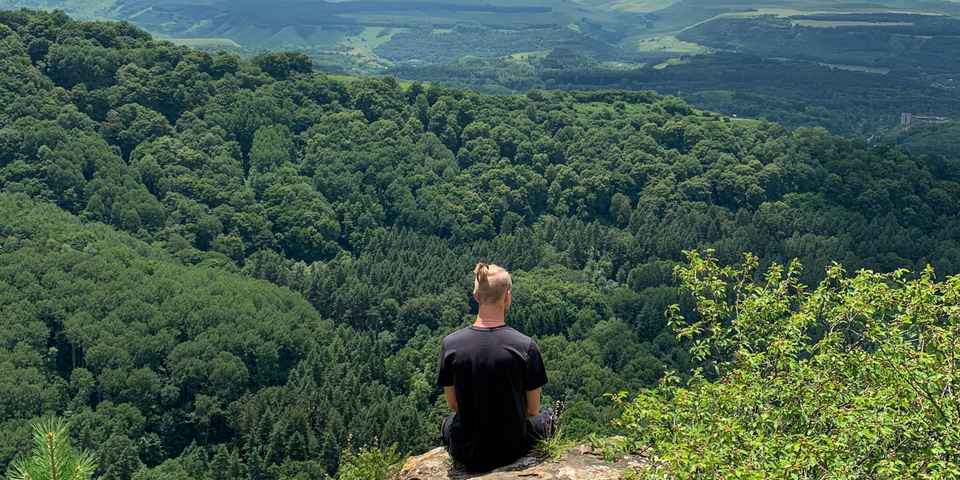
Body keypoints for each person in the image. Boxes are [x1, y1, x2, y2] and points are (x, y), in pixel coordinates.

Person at [437, 262, 555, 472]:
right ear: (507, 296)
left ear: (476, 297)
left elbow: (454, 405)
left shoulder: (451, 344)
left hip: (467, 450)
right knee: (548, 417)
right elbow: (533, 409)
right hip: (512, 450)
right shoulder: (525, 346)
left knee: (448, 422)